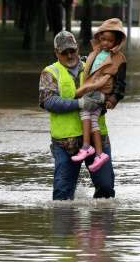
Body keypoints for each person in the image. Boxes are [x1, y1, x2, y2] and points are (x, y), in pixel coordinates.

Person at [39, 30, 126, 200]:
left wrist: (112, 98)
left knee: (106, 191)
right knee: (62, 196)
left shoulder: (94, 65)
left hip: (97, 137)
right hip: (66, 143)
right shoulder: (50, 72)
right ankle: (66, 224)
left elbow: (114, 84)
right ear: (56, 52)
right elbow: (48, 102)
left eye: (73, 50)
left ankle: (100, 224)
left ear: (78, 48)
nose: (70, 55)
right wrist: (79, 104)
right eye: (65, 52)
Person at [70, 18, 127, 172]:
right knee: (93, 120)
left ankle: (87, 146)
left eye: (110, 41)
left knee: (84, 111)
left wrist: (113, 98)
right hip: (91, 89)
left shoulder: (119, 59)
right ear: (99, 37)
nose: (106, 43)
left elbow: (121, 83)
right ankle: (99, 154)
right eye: (103, 39)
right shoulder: (95, 52)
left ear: (117, 41)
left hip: (100, 91)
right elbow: (89, 68)